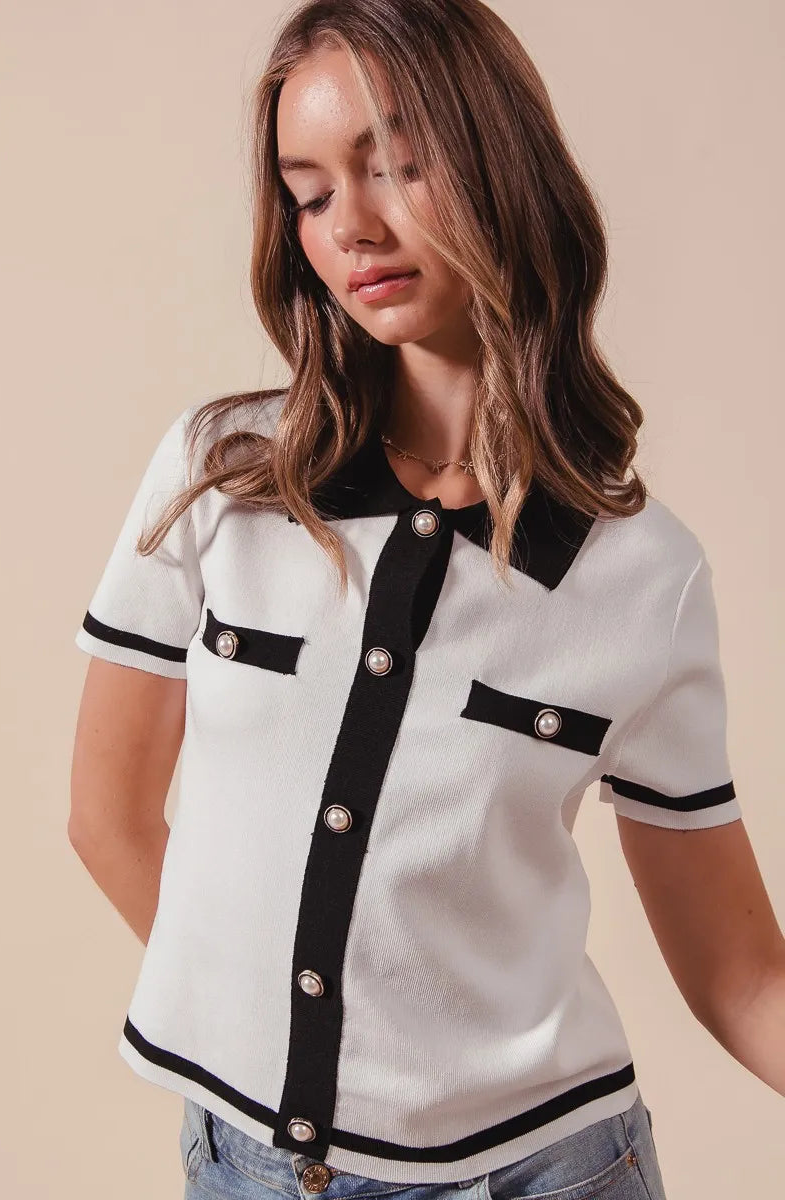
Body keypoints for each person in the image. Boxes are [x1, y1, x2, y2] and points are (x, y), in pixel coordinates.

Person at [69, 2, 784, 1199]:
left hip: (546, 1173)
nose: (351, 222)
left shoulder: (640, 576)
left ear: (499, 162)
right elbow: (106, 814)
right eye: (308, 191)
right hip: (243, 1168)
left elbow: (735, 970)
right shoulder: (221, 478)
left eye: (399, 164)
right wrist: (287, 1042)